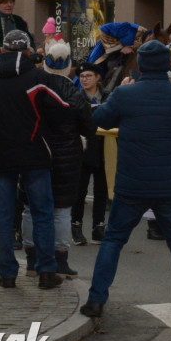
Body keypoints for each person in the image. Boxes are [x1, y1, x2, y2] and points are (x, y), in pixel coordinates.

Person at [80, 41, 171, 326]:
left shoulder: (125, 94)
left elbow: (99, 119)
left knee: (113, 240)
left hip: (132, 181)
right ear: (166, 64)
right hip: (169, 183)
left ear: (141, 66)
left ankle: (96, 300)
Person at [0, 30, 69, 290]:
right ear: (27, 51)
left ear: (2, 51)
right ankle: (46, 271)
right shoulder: (39, 79)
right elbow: (63, 109)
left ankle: (7, 274)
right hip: (35, 155)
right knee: (42, 214)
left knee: (2, 216)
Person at [22, 42, 94, 279]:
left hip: (36, 153)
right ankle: (60, 261)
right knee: (62, 211)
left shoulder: (34, 88)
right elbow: (88, 127)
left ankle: (32, 261)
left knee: (31, 209)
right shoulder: (74, 94)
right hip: (68, 158)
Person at [72, 62, 109, 245]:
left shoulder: (108, 97)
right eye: (82, 77)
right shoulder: (77, 98)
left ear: (97, 78)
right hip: (84, 149)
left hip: (105, 147)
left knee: (101, 189)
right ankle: (76, 225)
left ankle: (98, 226)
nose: (84, 79)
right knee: (80, 189)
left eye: (88, 76)